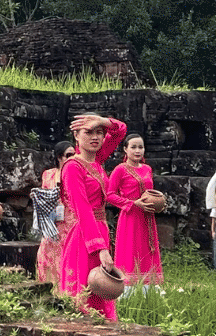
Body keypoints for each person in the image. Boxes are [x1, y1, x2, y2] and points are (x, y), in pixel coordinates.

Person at [59, 113, 127, 320]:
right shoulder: (73, 167)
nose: (95, 137)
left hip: (100, 230)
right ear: (76, 136)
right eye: (88, 132)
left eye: (99, 133)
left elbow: (120, 130)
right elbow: (83, 209)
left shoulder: (97, 160)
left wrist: (101, 121)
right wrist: (101, 249)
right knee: (86, 292)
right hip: (84, 236)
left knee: (102, 288)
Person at [107, 134, 164, 287]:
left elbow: (150, 192)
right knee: (131, 252)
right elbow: (109, 195)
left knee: (147, 250)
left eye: (141, 147)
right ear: (125, 149)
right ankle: (127, 290)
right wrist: (132, 203)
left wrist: (158, 203)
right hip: (130, 217)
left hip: (147, 218)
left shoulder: (147, 169)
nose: (138, 150)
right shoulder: (120, 169)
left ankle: (149, 289)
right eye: (133, 147)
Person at [33, 142, 76, 284]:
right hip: (52, 219)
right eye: (69, 155)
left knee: (68, 256)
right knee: (46, 254)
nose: (72, 158)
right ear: (59, 157)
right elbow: (44, 193)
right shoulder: (48, 174)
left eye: (75, 155)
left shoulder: (76, 172)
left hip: (71, 220)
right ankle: (48, 287)